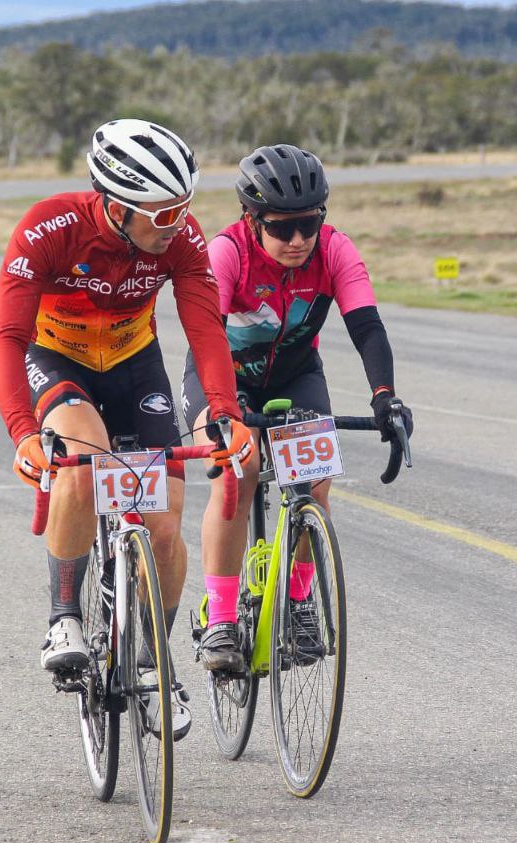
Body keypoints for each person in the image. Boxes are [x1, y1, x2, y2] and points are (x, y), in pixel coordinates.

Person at [0, 119, 253, 738]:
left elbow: (205, 328)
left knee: (164, 525)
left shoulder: (180, 238)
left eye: (184, 209)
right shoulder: (50, 228)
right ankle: (63, 616)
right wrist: (23, 431)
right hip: (58, 360)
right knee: (84, 465)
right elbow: (6, 336)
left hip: (135, 365)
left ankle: (152, 662)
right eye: (162, 214)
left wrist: (223, 411)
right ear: (118, 204)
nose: (178, 224)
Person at [181, 144, 413, 672]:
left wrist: (384, 396)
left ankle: (301, 602)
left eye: (309, 224)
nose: (298, 240)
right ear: (251, 217)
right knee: (238, 470)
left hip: (294, 372)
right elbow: (206, 333)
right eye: (282, 228)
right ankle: (219, 618)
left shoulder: (334, 251)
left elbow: (367, 327)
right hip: (221, 373)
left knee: (315, 480)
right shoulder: (227, 253)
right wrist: (224, 405)